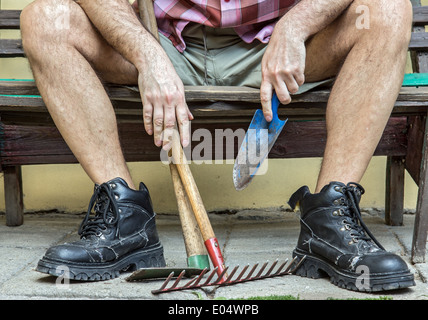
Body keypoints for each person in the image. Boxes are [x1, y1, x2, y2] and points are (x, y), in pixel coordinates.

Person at [20, 0, 415, 291]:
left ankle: (330, 221)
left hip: (281, 46)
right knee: (44, 19)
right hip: (163, 44)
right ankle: (125, 219)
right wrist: (147, 56)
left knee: (387, 10)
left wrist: (295, 26)